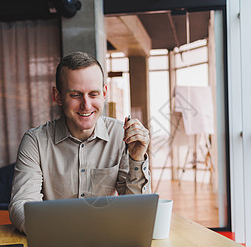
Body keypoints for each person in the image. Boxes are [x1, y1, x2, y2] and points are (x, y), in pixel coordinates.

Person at [9, 51, 152, 235]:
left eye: (93, 94)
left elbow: (136, 210)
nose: (86, 105)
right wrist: (59, 232)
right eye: (76, 95)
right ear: (58, 96)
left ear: (104, 93)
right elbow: (21, 206)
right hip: (55, 239)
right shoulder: (35, 141)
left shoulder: (120, 135)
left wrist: (137, 159)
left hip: (107, 239)